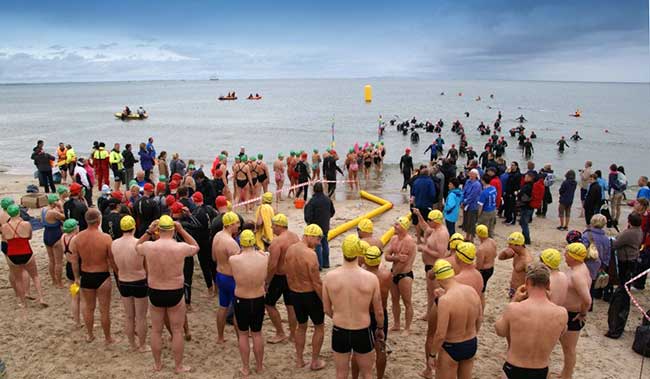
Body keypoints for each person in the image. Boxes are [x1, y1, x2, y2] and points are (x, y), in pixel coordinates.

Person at [136, 215, 199, 373]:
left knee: (156, 330)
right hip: (175, 290)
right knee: (177, 331)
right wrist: (182, 230)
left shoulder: (149, 246)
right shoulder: (180, 247)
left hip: (155, 290)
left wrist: (149, 231)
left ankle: (157, 365)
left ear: (158, 230)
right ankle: (178, 366)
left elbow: (137, 246)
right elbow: (196, 246)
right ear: (172, 229)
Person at [323, 234, 384, 379]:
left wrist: (338, 315)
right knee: (367, 373)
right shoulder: (371, 278)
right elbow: (379, 311)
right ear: (358, 252)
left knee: (341, 374)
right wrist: (380, 328)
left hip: (340, 329)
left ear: (343, 251)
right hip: (362, 329)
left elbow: (326, 309)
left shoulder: (329, 277)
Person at [495, 262, 568, 379]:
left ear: (527, 282)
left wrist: (514, 300)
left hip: (514, 368)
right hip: (541, 369)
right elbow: (562, 332)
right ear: (548, 284)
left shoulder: (514, 308)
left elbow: (500, 331)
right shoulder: (561, 313)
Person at [426, 259, 482, 379]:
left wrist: (432, 355)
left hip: (452, 346)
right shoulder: (471, 290)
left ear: (439, 279)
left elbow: (440, 334)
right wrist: (473, 334)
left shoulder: (445, 301)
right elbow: (479, 318)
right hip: (471, 343)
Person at [69, 209, 118, 344]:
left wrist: (76, 277)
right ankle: (108, 337)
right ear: (98, 220)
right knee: (104, 309)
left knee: (88, 308)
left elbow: (74, 260)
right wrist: (118, 273)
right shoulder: (106, 238)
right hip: (102, 274)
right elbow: (111, 260)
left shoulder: (78, 238)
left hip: (86, 274)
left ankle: (90, 335)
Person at [284, 224, 326, 371]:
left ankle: (299, 360)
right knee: (319, 326)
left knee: (301, 326)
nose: (319, 243)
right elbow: (316, 282)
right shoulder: (310, 254)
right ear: (310, 236)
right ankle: (314, 361)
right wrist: (325, 301)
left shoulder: (290, 250)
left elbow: (287, 274)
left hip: (295, 293)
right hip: (310, 295)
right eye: (318, 239)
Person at [230, 229, 269, 377]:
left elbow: (235, 261)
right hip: (258, 298)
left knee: (243, 334)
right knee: (257, 333)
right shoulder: (264, 257)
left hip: (242, 299)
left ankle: (246, 368)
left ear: (240, 242)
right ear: (254, 241)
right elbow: (265, 253)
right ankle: (259, 366)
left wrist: (240, 251)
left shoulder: (234, 260)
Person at [112, 215, 149, 352]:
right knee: (140, 316)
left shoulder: (114, 244)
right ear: (134, 227)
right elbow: (146, 266)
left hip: (123, 281)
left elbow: (114, 264)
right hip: (139, 280)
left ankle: (132, 345)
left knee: (129, 316)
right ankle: (143, 345)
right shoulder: (138, 244)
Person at [605, 212, 643, 338]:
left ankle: (615, 326)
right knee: (624, 289)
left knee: (622, 290)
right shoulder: (639, 231)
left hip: (625, 263)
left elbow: (616, 244)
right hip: (632, 261)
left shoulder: (629, 233)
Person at [1, 204, 46, 308]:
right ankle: (41, 298)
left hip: (12, 254)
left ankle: (23, 302)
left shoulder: (4, 227)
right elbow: (29, 237)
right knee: (35, 276)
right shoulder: (26, 224)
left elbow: (5, 238)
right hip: (26, 251)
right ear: (19, 212)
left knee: (18, 279)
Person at [265, 213, 300, 343]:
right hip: (292, 275)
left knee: (269, 304)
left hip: (280, 277)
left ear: (279, 226)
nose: (272, 228)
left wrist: (267, 281)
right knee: (290, 306)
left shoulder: (277, 242)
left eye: (273, 226)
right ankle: (292, 334)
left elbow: (273, 265)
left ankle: (280, 333)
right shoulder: (295, 236)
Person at [559, 243, 592, 379]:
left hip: (572, 315)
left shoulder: (577, 275)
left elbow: (587, 300)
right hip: (567, 313)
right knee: (566, 348)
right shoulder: (579, 268)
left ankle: (567, 376)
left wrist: (583, 313)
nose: (564, 256)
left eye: (566, 254)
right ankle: (565, 374)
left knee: (568, 349)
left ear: (574, 257)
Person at [359, 245, 392, 379]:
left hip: (363, 314)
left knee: (360, 350)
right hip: (380, 314)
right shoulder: (386, 275)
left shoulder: (360, 274)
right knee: (381, 349)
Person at [413, 208, 449, 319]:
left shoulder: (441, 234)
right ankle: (429, 313)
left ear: (436, 221)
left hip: (435, 267)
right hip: (428, 266)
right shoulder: (434, 229)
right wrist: (419, 215)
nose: (428, 221)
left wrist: (424, 249)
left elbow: (441, 254)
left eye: (430, 220)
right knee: (429, 291)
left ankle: (436, 315)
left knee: (436, 293)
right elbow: (425, 227)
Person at [212, 211, 241, 344]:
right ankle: (241, 338)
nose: (239, 226)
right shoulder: (231, 243)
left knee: (223, 307)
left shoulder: (217, 236)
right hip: (231, 279)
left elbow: (213, 257)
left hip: (220, 275)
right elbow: (239, 266)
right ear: (230, 224)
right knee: (236, 310)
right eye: (237, 223)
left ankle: (220, 337)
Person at [385, 216, 416, 336]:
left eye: (397, 225)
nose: (394, 226)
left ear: (403, 227)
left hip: (405, 275)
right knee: (394, 300)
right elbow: (386, 256)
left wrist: (395, 260)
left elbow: (403, 262)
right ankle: (397, 324)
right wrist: (396, 257)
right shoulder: (394, 239)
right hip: (394, 273)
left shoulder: (408, 241)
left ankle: (407, 328)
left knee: (407, 302)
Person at [581, 214, 611, 304]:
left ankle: (583, 304)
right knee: (592, 286)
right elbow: (607, 254)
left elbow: (582, 250)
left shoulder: (586, 235)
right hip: (598, 265)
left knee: (583, 286)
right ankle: (590, 304)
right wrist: (604, 266)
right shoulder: (606, 238)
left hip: (587, 263)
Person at [304, 182, 335, 269]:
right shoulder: (328, 200)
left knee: (317, 245)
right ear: (322, 189)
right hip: (325, 225)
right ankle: (326, 263)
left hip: (315, 227)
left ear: (314, 190)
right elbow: (332, 212)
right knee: (325, 243)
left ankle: (319, 265)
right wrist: (327, 217)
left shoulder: (312, 201)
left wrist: (309, 223)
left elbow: (308, 215)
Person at [498, 232, 532, 299]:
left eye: (510, 244)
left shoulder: (527, 260)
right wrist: (504, 252)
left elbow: (532, 279)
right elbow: (500, 258)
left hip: (521, 292)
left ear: (518, 245)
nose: (508, 246)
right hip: (513, 289)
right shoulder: (516, 253)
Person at [42, 194, 65, 287]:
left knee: (51, 260)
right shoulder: (53, 213)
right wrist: (60, 207)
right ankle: (59, 283)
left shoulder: (43, 210)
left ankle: (53, 280)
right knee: (59, 261)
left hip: (47, 234)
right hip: (55, 235)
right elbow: (64, 217)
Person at [61, 218, 81, 326]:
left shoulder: (63, 237)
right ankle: (81, 321)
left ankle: (77, 321)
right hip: (76, 269)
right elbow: (75, 261)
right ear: (74, 228)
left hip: (68, 267)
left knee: (74, 296)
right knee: (82, 297)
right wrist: (77, 277)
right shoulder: (75, 239)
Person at [411, 167, 437, 243]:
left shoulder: (416, 181)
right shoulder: (430, 181)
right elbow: (432, 194)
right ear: (428, 174)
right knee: (427, 223)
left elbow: (413, 193)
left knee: (418, 222)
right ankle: (426, 240)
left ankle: (418, 239)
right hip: (427, 205)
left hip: (417, 204)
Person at [475, 225, 497, 299]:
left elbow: (479, 266)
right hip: (491, 268)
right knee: (482, 290)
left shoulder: (481, 249)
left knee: (480, 292)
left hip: (484, 271)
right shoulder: (492, 241)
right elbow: (495, 255)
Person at [462, 169, 482, 242]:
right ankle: (467, 236)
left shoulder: (477, 184)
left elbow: (473, 196)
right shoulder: (468, 181)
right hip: (466, 203)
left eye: (472, 174)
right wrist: (462, 200)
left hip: (473, 205)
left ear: (476, 175)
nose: (470, 175)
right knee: (467, 221)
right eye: (470, 173)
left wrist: (465, 202)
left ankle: (472, 238)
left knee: (472, 222)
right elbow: (464, 191)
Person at [517, 172, 535, 244]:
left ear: (530, 178)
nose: (525, 178)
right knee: (523, 222)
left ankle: (527, 239)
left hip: (526, 206)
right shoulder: (532, 185)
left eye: (526, 177)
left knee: (524, 223)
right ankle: (524, 237)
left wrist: (518, 194)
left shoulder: (528, 186)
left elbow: (522, 194)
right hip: (530, 206)